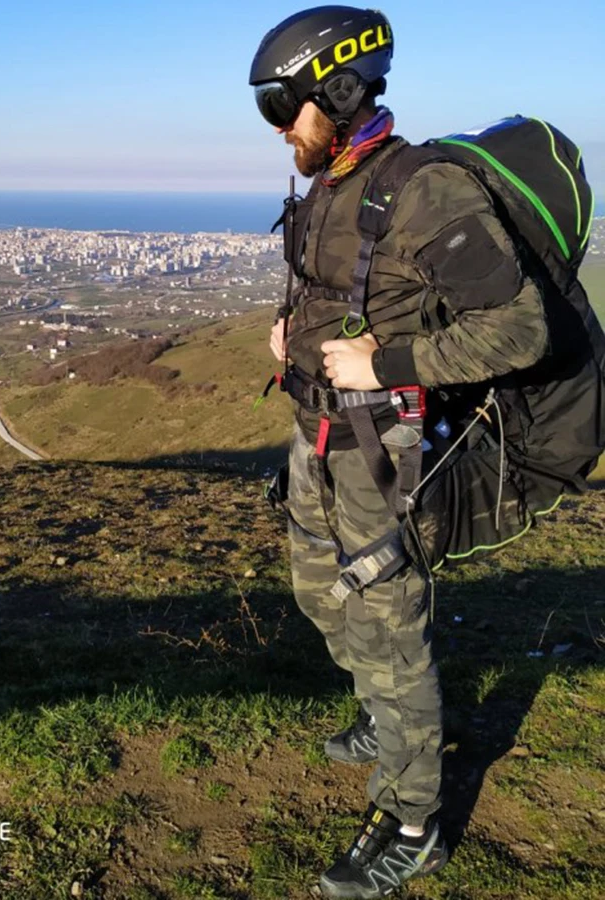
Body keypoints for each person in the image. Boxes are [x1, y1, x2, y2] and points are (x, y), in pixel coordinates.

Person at [249, 7, 550, 899]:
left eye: (282, 107)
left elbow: (521, 329)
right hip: (316, 431)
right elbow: (343, 292)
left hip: (385, 450)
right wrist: (291, 336)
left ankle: (414, 822)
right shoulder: (332, 182)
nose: (276, 128)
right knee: (318, 593)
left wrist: (387, 366)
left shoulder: (424, 191)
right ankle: (388, 720)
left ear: (340, 93)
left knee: (389, 630)